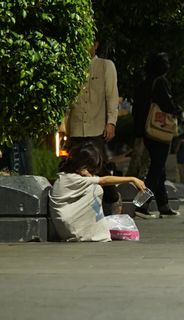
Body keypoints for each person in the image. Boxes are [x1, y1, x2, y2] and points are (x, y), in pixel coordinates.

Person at [61, 37, 121, 215]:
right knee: (76, 168)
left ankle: (111, 197)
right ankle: (82, 207)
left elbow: (112, 96)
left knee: (98, 165)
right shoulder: (71, 66)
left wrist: (111, 122)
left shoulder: (105, 65)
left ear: (96, 45)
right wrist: (62, 126)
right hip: (76, 126)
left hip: (97, 126)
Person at [49, 143, 145, 242]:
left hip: (65, 228)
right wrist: (132, 179)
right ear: (83, 167)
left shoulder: (65, 177)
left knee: (94, 187)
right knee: (96, 189)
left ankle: (96, 227)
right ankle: (97, 230)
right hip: (73, 229)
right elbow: (104, 180)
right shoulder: (75, 179)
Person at [132, 52, 182, 219]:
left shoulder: (144, 83)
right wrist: (177, 109)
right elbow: (168, 105)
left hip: (147, 131)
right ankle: (142, 205)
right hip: (159, 130)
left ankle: (163, 205)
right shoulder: (161, 82)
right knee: (156, 169)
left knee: (158, 167)